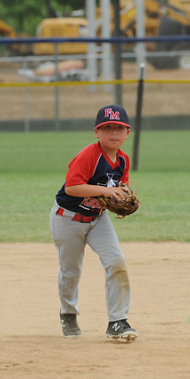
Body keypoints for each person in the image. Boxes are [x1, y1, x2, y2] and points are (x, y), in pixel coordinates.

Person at [49, 104, 137, 341]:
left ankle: (117, 321)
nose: (114, 132)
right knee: (71, 271)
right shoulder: (89, 155)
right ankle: (68, 313)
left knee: (116, 261)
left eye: (119, 128)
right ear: (97, 132)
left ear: (127, 133)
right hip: (67, 219)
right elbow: (72, 187)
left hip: (97, 218)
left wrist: (121, 195)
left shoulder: (123, 160)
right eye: (107, 127)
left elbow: (120, 186)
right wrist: (106, 192)